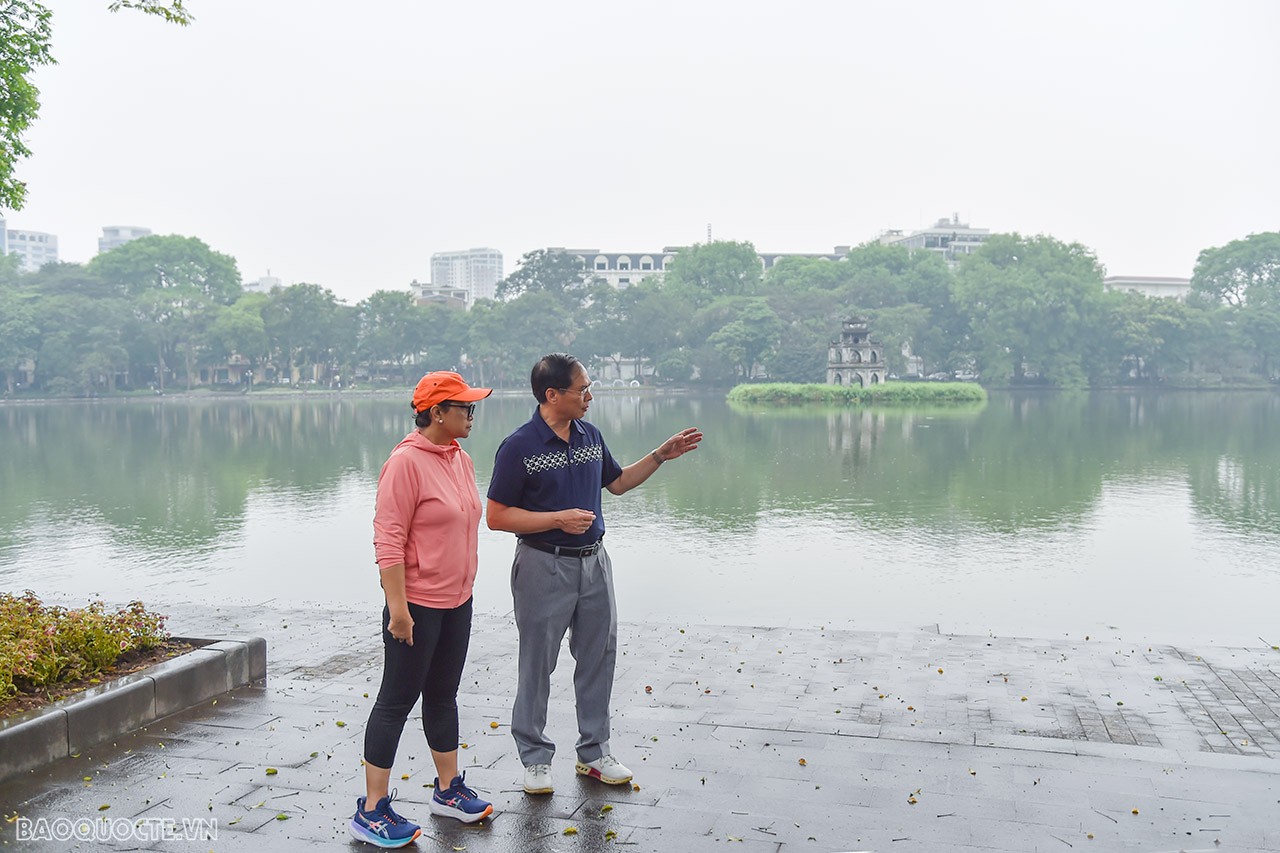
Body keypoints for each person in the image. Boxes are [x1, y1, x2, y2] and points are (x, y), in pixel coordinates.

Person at [486, 353, 703, 795]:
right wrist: (556, 519)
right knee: (537, 663)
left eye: (589, 387)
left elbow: (618, 483)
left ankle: (594, 753)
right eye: (581, 389)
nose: (589, 396)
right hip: (542, 565)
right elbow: (496, 516)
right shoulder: (519, 446)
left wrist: (660, 456)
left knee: (599, 658)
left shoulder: (590, 436)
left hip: (595, 563)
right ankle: (534, 757)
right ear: (552, 395)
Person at [349, 371, 496, 848]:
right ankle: (371, 810)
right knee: (395, 701)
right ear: (437, 412)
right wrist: (398, 610)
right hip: (415, 605)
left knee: (443, 694)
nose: (472, 415)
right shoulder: (405, 463)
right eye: (465, 408)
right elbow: (388, 541)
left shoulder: (460, 458)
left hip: (457, 600)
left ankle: (448, 790)